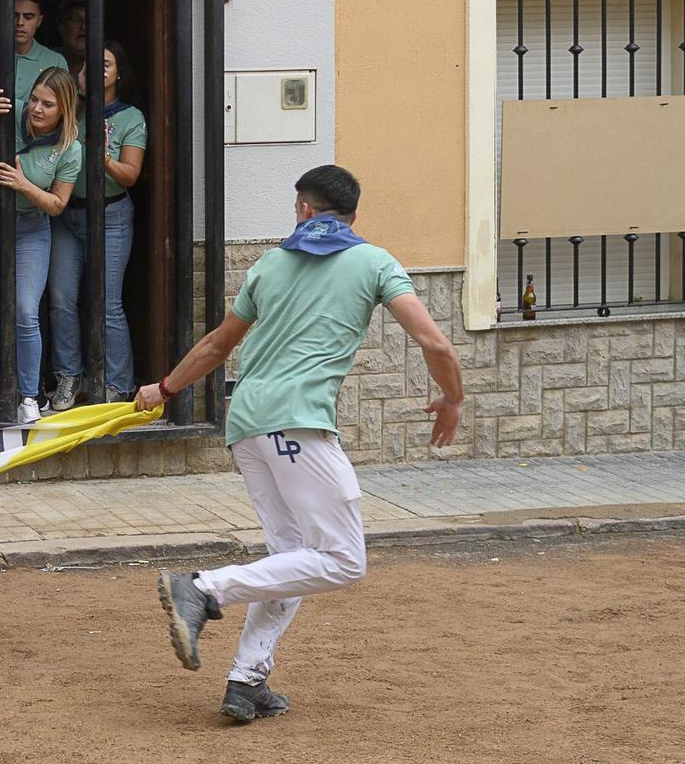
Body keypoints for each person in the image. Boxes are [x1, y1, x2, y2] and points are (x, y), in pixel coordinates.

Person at [144, 165, 465, 725]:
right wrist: (453, 399)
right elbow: (435, 341)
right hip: (298, 426)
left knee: (292, 558)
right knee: (343, 560)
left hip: (247, 425)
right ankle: (201, 587)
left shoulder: (269, 264)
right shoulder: (374, 261)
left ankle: (246, 681)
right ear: (353, 216)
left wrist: (166, 387)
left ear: (303, 210)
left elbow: (218, 345)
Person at [0, 67, 81, 423]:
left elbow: (57, 204)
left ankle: (27, 396)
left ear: (64, 109)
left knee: (26, 312)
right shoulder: (12, 116)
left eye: (48, 104)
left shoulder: (70, 148)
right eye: (36, 100)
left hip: (31, 229)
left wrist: (24, 185)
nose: (37, 109)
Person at [44, 41, 146, 410]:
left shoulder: (130, 117)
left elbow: (131, 175)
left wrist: (103, 158)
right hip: (67, 213)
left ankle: (116, 384)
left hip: (112, 214)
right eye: (90, 65)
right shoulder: (73, 108)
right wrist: (79, 86)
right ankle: (69, 377)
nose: (98, 70)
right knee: (61, 300)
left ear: (120, 72)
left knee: (106, 303)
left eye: (105, 64)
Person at [0, 0, 66, 113]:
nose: (20, 22)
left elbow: (61, 114)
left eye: (28, 17)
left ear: (39, 21)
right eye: (14, 15)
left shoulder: (56, 60)